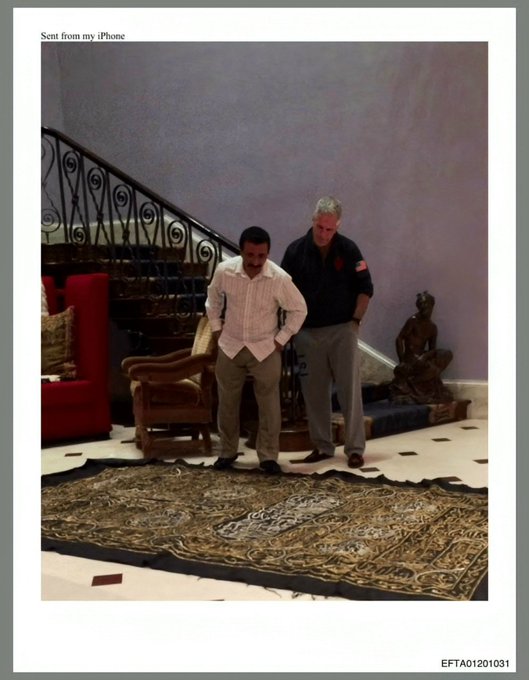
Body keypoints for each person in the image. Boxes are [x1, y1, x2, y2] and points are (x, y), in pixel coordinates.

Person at [281, 196, 374, 468]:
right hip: (308, 333)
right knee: (314, 393)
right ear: (313, 221)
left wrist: (355, 322)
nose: (323, 234)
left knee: (349, 391)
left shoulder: (349, 249)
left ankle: (355, 448)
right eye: (320, 227)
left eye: (329, 229)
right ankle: (322, 446)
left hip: (343, 329)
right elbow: (282, 291)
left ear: (338, 226)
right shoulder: (295, 251)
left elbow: (365, 288)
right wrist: (292, 328)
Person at [206, 226, 307, 474]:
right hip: (231, 345)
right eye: (250, 255)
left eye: (261, 256)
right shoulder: (225, 271)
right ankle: (227, 452)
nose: (255, 261)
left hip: (265, 348)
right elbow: (213, 299)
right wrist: (217, 329)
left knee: (269, 405)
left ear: (268, 253)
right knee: (227, 402)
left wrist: (281, 339)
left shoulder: (279, 278)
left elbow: (299, 309)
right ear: (241, 251)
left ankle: (268, 456)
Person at [389, 291, 453, 404]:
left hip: (422, 356)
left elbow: (432, 349)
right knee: (433, 370)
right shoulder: (413, 320)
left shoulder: (433, 327)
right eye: (420, 304)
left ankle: (417, 381)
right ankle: (413, 382)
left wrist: (424, 356)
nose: (423, 306)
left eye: (425, 303)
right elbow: (399, 339)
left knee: (447, 354)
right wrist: (402, 361)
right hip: (410, 358)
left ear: (432, 305)